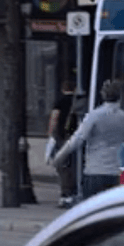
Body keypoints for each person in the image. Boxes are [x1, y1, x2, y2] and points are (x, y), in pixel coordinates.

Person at [50, 78, 124, 201]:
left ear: (102, 95)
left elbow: (76, 140)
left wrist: (58, 158)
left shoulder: (94, 116)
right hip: (114, 172)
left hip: (93, 171)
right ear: (121, 97)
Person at [46, 78, 78, 208]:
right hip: (75, 136)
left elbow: (54, 118)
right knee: (73, 164)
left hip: (62, 136)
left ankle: (66, 193)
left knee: (62, 165)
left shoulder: (60, 101)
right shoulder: (77, 102)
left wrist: (50, 133)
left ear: (63, 89)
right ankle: (74, 190)